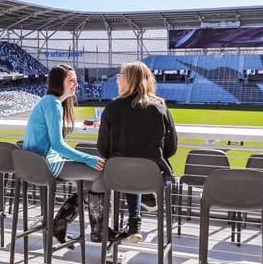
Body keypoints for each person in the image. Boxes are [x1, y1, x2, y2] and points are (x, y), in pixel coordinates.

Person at [23, 64, 113, 243]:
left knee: (89, 182)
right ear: (59, 82)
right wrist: (88, 158)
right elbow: (57, 145)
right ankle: (97, 230)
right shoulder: (53, 104)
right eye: (71, 81)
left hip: (35, 163)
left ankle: (61, 223)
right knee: (103, 173)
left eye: (76, 81)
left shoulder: (49, 102)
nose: (76, 84)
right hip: (45, 165)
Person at [97, 61, 178, 242]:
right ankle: (143, 204)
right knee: (138, 168)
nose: (118, 81)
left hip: (118, 178)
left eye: (120, 77)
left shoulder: (112, 108)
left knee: (129, 166)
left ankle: (133, 224)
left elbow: (102, 149)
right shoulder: (160, 107)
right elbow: (171, 148)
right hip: (153, 178)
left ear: (128, 81)